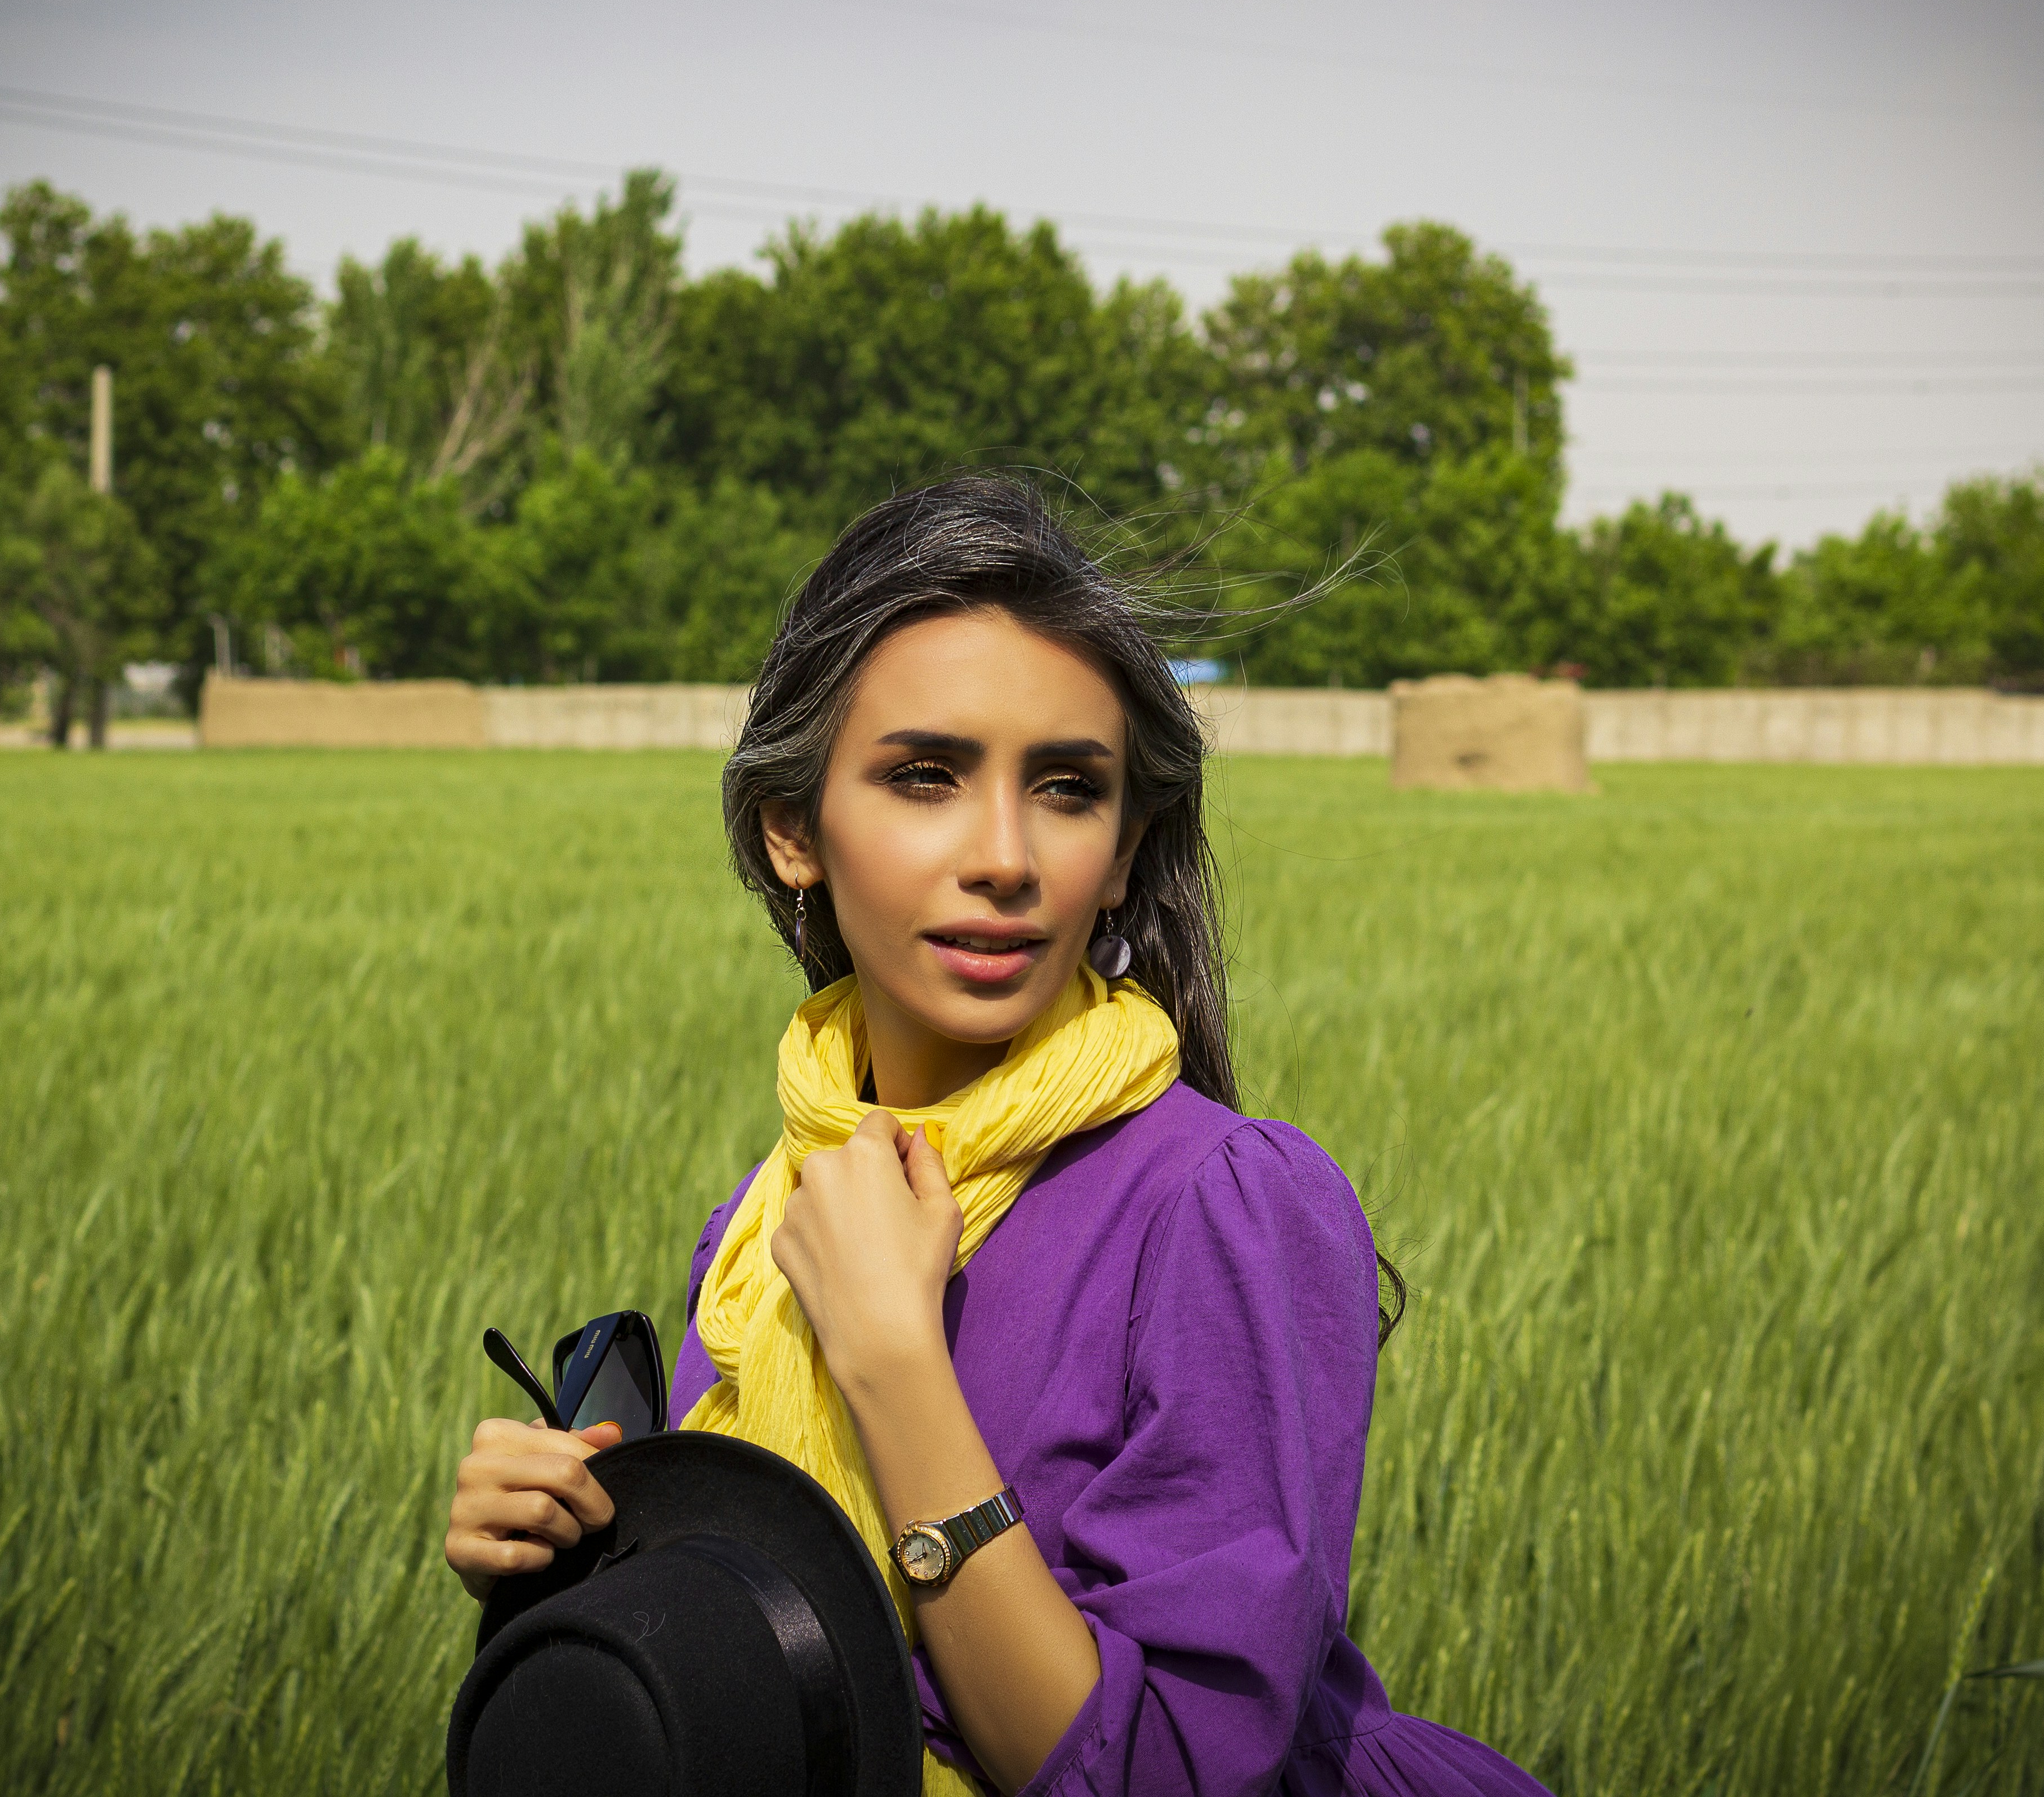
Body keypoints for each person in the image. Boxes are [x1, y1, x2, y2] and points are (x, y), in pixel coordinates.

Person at [446, 477, 1550, 1796]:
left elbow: (1164, 1773)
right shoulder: (768, 1225)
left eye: (1070, 788)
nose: (1007, 857)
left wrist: (895, 1367)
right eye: (926, 777)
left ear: (1125, 851)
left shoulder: (1221, 1207)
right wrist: (565, 1570)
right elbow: (773, 1667)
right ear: (792, 831)